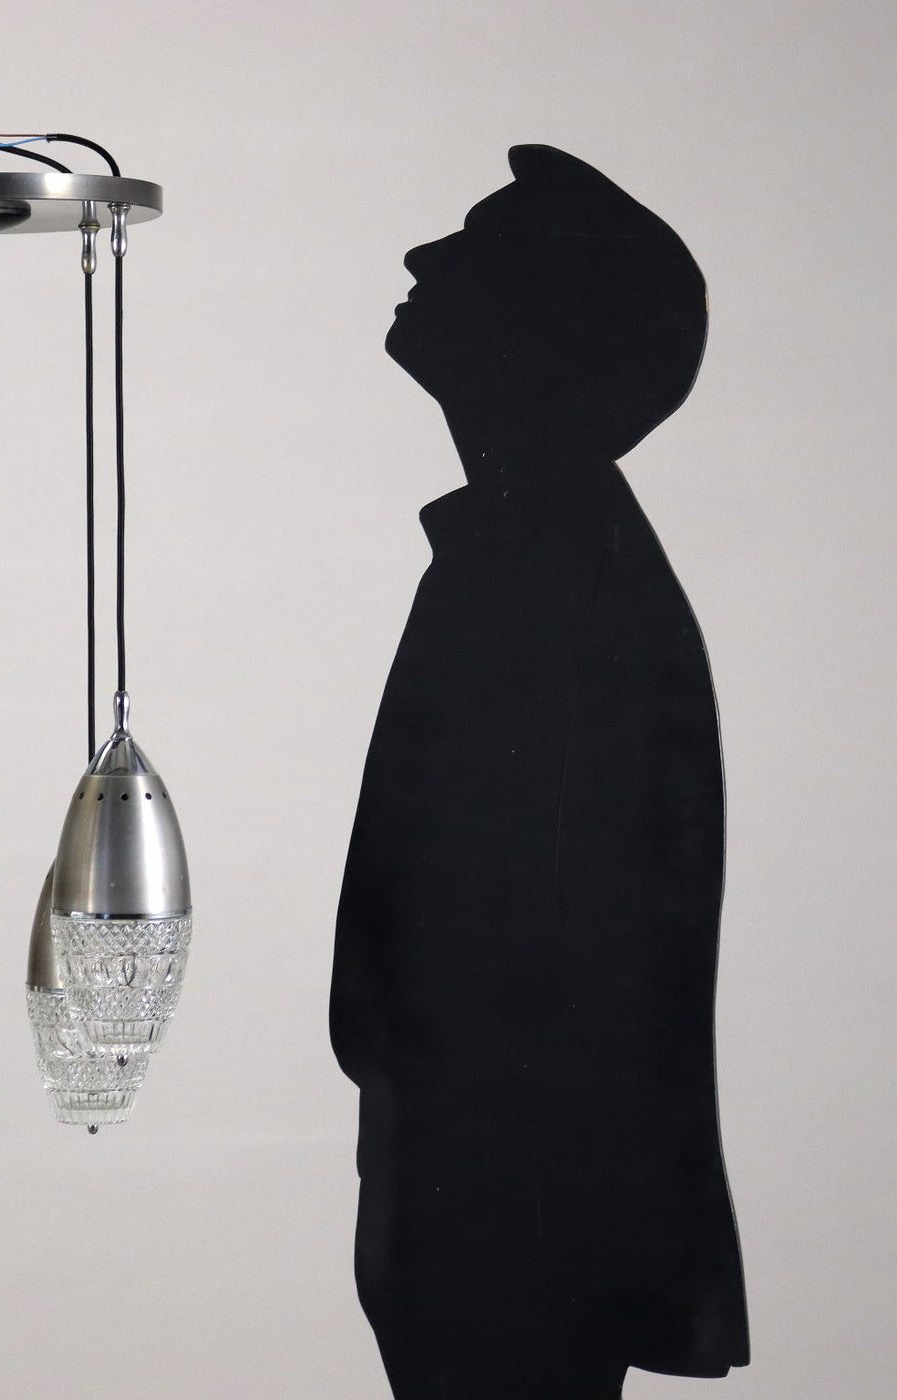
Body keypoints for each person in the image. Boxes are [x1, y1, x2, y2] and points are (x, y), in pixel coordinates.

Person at [330, 145, 749, 1399]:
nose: (424, 258)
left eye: (477, 245)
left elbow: (533, 935)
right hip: (484, 1195)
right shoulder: (545, 549)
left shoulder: (545, 568)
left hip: (503, 1213)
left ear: (539, 325)